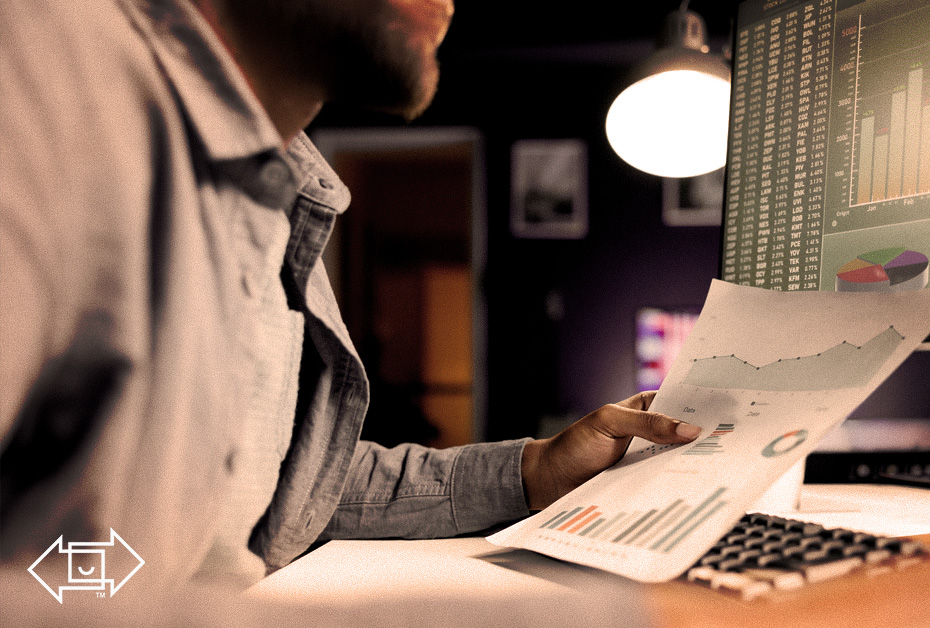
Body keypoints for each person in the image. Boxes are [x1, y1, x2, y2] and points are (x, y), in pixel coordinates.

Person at [0, 0, 703, 603]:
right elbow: (50, 575)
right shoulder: (42, 73)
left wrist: (534, 470)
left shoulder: (281, 194)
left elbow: (295, 486)